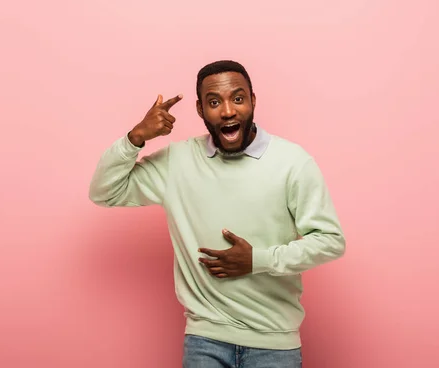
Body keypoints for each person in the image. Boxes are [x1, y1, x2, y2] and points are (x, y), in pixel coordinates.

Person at [88, 60, 346, 367]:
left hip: (274, 345)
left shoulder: (292, 162)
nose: (227, 111)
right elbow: (105, 191)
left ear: (253, 100)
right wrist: (136, 137)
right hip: (204, 342)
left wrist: (257, 260)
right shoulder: (178, 162)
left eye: (238, 98)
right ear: (200, 110)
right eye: (214, 102)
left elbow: (330, 241)